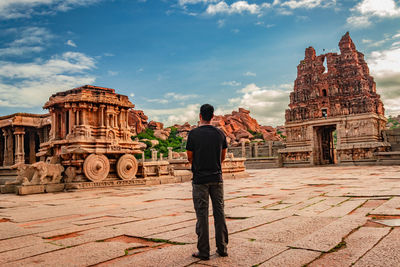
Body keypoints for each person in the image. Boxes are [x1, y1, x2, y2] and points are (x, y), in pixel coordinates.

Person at [186, 104, 228, 261]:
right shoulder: (220, 134)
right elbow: (222, 157)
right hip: (217, 178)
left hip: (200, 179)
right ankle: (222, 248)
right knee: (219, 213)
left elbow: (190, 157)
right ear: (212, 116)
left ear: (200, 116)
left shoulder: (194, 134)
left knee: (202, 215)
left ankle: (203, 251)